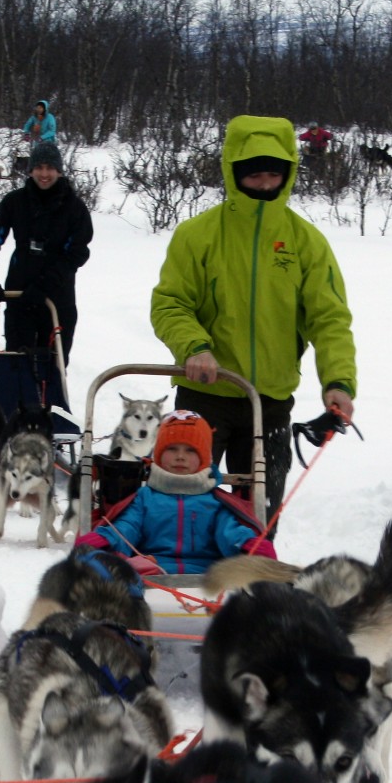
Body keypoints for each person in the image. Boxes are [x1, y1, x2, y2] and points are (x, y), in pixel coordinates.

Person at [150, 114, 357, 518]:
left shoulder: (306, 242)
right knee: (179, 511)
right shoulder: (198, 234)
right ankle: (177, 580)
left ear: (288, 173)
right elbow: (170, 303)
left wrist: (339, 382)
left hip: (271, 401)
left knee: (258, 518)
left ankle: (251, 581)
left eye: (273, 174)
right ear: (234, 171)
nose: (264, 183)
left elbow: (330, 317)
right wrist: (194, 346)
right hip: (204, 394)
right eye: (254, 174)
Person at [76, 412, 275, 576]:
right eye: (172, 449)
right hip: (151, 573)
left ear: (204, 458)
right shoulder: (145, 498)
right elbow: (127, 527)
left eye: (190, 451)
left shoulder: (214, 501)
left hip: (208, 576)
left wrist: (247, 542)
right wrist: (106, 538)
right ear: (159, 454)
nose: (180, 456)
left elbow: (229, 531)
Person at [0, 140, 92, 362]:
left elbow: (77, 253)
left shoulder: (74, 208)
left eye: (50, 168)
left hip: (57, 299)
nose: (44, 174)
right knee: (17, 363)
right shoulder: (15, 202)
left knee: (53, 365)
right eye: (39, 168)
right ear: (30, 170)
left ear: (58, 170)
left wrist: (46, 285)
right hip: (19, 294)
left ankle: (52, 397)